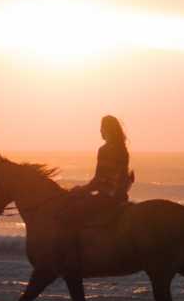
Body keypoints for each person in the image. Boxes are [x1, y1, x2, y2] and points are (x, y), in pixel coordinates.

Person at [55, 115, 133, 275]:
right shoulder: (122, 149)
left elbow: (99, 180)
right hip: (120, 197)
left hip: (107, 198)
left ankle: (72, 257)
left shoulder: (105, 149)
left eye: (102, 128)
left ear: (107, 130)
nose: (100, 131)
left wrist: (81, 190)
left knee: (68, 213)